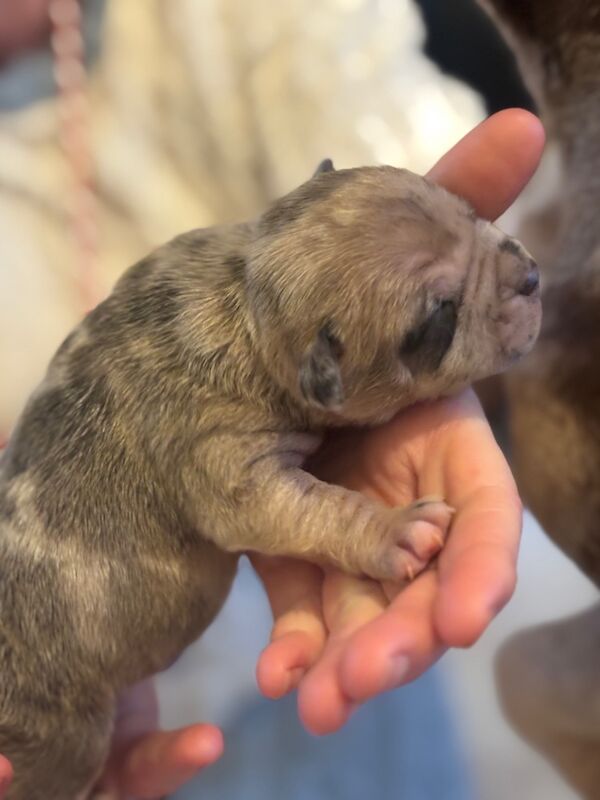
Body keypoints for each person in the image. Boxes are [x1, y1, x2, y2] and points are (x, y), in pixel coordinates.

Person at [0, 108, 545, 798]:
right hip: (47, 670)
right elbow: (244, 497)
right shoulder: (205, 391)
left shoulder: (219, 276)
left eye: (467, 217)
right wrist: (366, 528)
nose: (519, 271)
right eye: (439, 313)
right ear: (326, 379)